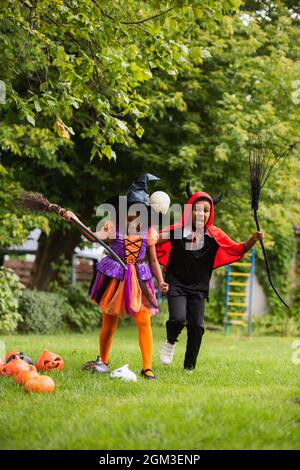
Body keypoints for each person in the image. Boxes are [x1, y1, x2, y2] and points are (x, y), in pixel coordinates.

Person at [63, 174, 169, 380]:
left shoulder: (148, 231)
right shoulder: (113, 226)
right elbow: (92, 236)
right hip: (116, 278)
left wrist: (161, 280)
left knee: (144, 320)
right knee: (109, 323)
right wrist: (75, 220)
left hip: (139, 278)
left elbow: (154, 260)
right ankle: (103, 360)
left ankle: (147, 367)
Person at [156, 184, 264, 371]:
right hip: (176, 282)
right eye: (197, 210)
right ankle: (170, 341)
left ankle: (189, 367)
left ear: (210, 213)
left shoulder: (215, 234)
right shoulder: (178, 230)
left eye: (205, 210)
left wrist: (253, 239)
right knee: (179, 319)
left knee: (197, 326)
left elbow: (237, 249)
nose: (201, 214)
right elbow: (153, 241)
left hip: (198, 287)